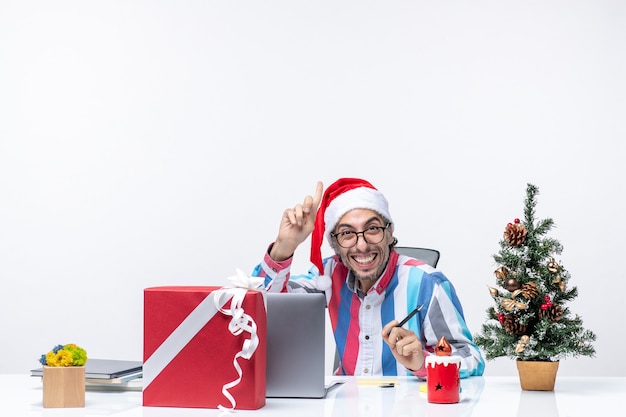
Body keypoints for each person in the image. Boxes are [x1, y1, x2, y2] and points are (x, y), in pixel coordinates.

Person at [253, 178, 485, 378]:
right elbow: (263, 308)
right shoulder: (328, 275)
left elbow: (471, 359)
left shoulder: (428, 283)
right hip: (346, 406)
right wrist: (285, 246)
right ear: (335, 244)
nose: (361, 245)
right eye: (347, 234)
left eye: (372, 229)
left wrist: (423, 362)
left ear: (389, 232)